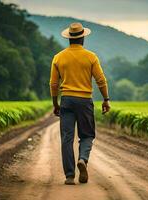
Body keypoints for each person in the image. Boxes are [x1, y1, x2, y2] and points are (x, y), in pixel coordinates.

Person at [49, 22, 110, 185]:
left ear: (69, 38)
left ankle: (69, 176)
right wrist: (106, 99)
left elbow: (53, 84)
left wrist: (56, 103)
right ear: (83, 38)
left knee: (67, 138)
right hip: (84, 101)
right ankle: (83, 159)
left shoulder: (58, 57)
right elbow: (101, 80)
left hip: (67, 100)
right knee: (87, 134)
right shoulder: (91, 57)